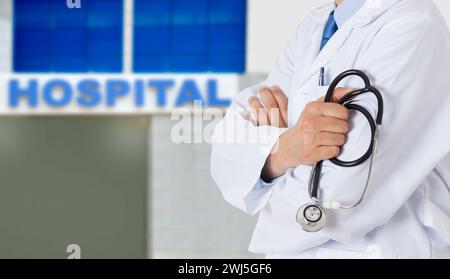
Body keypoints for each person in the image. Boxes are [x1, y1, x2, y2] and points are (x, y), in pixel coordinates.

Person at [211, 0, 450, 259]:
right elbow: (229, 143)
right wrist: (285, 151)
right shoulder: (317, 24)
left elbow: (341, 194)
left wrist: (263, 177)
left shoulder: (412, 26)